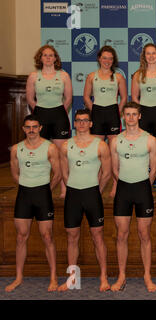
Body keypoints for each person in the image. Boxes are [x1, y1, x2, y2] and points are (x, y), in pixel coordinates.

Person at [5, 115, 61, 292]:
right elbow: (15, 174)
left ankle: (53, 277)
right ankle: (18, 277)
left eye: (34, 127)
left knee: (47, 236)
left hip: (43, 194)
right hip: (24, 195)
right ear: (23, 129)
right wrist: (26, 185)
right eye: (28, 127)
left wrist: (46, 190)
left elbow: (58, 174)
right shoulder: (16, 149)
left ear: (40, 128)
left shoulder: (50, 148)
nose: (31, 130)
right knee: (21, 236)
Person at [58, 109, 111, 292]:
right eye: (78, 120)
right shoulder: (65, 146)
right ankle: (72, 278)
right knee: (72, 237)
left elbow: (107, 173)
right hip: (73, 194)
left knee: (98, 236)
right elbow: (64, 173)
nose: (81, 123)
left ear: (90, 124)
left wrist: (97, 190)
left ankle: (103, 277)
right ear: (74, 123)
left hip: (92, 194)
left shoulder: (101, 145)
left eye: (85, 120)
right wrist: (71, 185)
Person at [109, 102, 156, 292]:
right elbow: (114, 169)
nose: (130, 118)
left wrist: (144, 184)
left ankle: (147, 275)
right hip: (123, 190)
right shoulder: (115, 141)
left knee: (144, 234)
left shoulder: (150, 140)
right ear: (123, 116)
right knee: (121, 234)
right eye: (127, 114)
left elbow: (154, 170)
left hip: (142, 190)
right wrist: (123, 181)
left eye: (133, 114)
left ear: (139, 116)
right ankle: (121, 275)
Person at [26, 44, 72, 198]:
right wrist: (41, 111)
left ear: (55, 58)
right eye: (45, 55)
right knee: (41, 153)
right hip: (40, 115)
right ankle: (41, 185)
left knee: (61, 154)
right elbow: (30, 99)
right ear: (40, 58)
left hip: (59, 115)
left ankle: (64, 188)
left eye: (51, 55)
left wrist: (57, 110)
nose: (48, 58)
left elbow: (68, 99)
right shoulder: (33, 76)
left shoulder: (63, 75)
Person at [83, 45, 127, 141]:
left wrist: (117, 111)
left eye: (110, 59)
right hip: (97, 112)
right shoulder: (91, 76)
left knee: (113, 147)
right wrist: (94, 109)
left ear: (113, 60)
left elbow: (124, 98)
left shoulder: (119, 77)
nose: (107, 61)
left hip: (113, 113)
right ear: (99, 59)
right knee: (98, 147)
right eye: (104, 58)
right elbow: (86, 97)